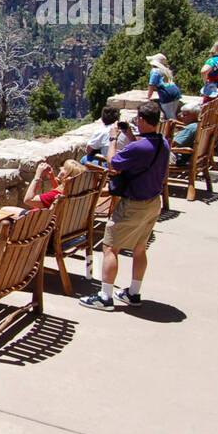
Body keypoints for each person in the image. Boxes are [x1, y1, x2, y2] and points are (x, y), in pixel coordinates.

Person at [79, 102, 169, 311]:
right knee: (139, 248)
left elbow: (113, 164)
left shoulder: (139, 148)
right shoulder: (162, 143)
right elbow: (142, 150)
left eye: (138, 119)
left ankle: (105, 296)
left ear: (143, 120)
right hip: (153, 203)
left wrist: (112, 139)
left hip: (133, 204)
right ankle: (133, 293)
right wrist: (130, 136)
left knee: (110, 247)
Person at [147, 53, 182, 122]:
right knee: (172, 114)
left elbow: (152, 84)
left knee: (170, 117)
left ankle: (173, 130)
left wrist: (149, 96)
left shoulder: (155, 71)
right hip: (175, 92)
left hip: (166, 94)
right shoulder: (166, 70)